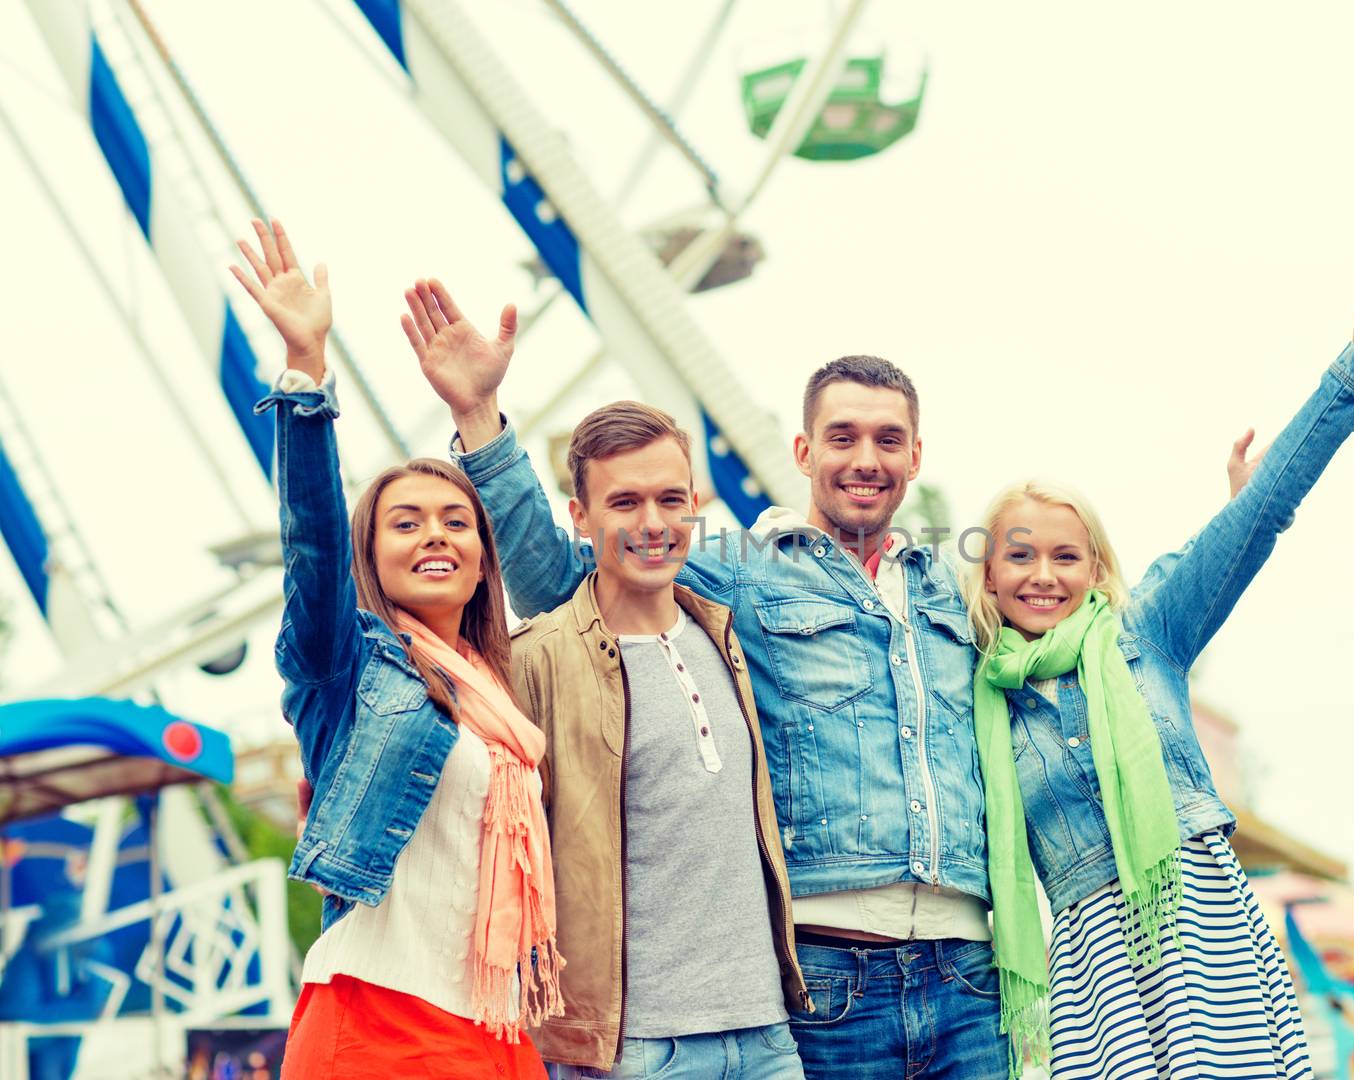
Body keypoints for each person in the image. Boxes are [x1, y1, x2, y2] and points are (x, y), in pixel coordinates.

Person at [402, 275, 1014, 1078]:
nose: (865, 459)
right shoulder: (739, 574)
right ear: (803, 452)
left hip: (969, 974)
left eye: (888, 440)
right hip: (831, 974)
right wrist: (480, 421)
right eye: (842, 438)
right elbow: (563, 580)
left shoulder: (953, 590)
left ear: (915, 457)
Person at [959, 276, 1354, 1079]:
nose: (1042, 576)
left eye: (1066, 555)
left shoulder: (1146, 630)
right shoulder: (975, 695)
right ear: (987, 575)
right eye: (1019, 556)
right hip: (1095, 977)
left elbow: (1258, 514)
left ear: (1097, 569)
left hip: (1204, 937)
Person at [230, 221, 561, 1079]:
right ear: (370, 553)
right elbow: (311, 548)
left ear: (485, 556)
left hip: (495, 1023)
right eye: (404, 523)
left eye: (457, 522)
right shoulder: (345, 669)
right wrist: (306, 369)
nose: (435, 537)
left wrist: (478, 414)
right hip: (378, 1015)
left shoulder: (505, 692)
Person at [463, 395, 809, 1077]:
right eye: (624, 504)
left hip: (767, 1035)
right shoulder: (536, 660)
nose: (652, 524)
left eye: (670, 499)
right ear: (580, 519)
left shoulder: (728, 633)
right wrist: (476, 415)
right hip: (634, 1051)